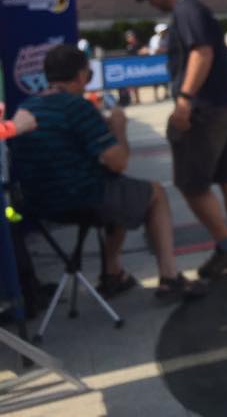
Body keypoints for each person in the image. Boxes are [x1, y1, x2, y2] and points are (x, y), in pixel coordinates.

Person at [9, 45, 204, 300]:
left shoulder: (26, 108)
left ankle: (114, 273)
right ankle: (169, 277)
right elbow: (118, 161)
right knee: (154, 193)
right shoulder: (77, 107)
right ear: (81, 76)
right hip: (82, 198)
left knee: (120, 189)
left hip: (37, 203)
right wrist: (119, 127)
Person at [136, 0, 227, 278]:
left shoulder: (186, 10)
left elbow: (202, 52)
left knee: (191, 183)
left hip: (204, 109)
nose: (151, 3)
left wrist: (184, 100)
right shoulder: (197, 8)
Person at [120, 30, 141, 106]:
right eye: (128, 37)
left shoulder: (138, 44)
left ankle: (137, 99)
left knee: (136, 84)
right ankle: (133, 99)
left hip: (138, 66)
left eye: (131, 36)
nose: (130, 38)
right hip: (131, 67)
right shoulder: (128, 47)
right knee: (131, 84)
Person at [149, 23, 170, 101]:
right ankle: (156, 95)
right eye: (162, 31)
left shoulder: (168, 38)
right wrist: (163, 50)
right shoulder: (154, 39)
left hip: (165, 61)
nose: (164, 32)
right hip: (156, 62)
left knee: (166, 78)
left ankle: (166, 93)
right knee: (155, 79)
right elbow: (155, 50)